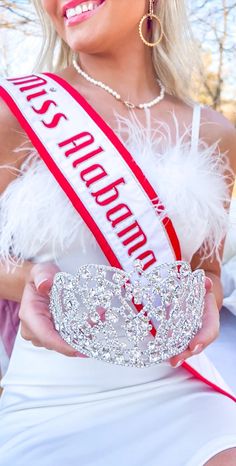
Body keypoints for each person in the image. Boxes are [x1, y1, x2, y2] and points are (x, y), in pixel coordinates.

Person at [0, 0, 236, 464]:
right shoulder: (16, 113)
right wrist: (30, 282)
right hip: (51, 403)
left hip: (179, 392)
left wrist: (206, 296)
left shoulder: (212, 132)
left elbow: (204, 269)